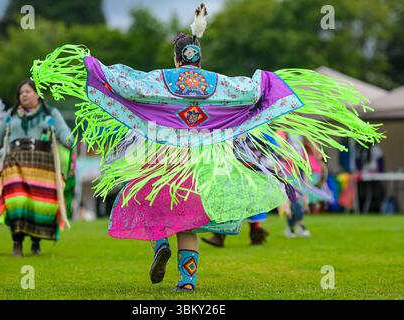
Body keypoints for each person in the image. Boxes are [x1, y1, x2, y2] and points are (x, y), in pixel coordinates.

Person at [29, 3, 383, 290]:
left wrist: (93, 67)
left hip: (161, 154)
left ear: (178, 59)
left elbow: (127, 83)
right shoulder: (219, 84)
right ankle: (187, 282)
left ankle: (160, 245)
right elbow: (254, 88)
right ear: (199, 58)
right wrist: (272, 82)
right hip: (199, 160)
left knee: (154, 206)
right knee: (189, 221)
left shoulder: (162, 79)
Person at [0, 80, 73, 257]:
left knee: (39, 205)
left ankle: (36, 242)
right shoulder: (10, 116)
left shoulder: (50, 114)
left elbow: (63, 132)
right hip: (15, 165)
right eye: (21, 93)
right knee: (16, 202)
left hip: (42, 166)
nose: (24, 95)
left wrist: (69, 141)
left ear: (37, 94)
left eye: (27, 92)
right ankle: (17, 242)